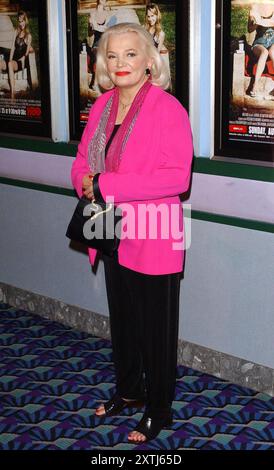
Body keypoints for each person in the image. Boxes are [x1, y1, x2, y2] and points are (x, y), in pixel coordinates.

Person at [71, 22, 193, 443]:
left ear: (148, 61)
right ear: (103, 63)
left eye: (129, 54)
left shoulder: (167, 108)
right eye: (111, 55)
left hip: (154, 233)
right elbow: (83, 158)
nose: (120, 63)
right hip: (109, 228)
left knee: (155, 330)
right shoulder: (102, 106)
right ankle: (130, 391)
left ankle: (159, 410)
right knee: (123, 322)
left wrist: (107, 184)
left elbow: (176, 178)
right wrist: (85, 180)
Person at [1, 10, 32, 100]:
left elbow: (26, 52)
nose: (21, 23)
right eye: (19, 21)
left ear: (25, 21)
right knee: (2, 63)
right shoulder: (16, 32)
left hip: (20, 61)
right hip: (13, 59)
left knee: (10, 64)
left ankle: (12, 94)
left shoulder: (28, 36)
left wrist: (23, 59)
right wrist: (10, 58)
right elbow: (13, 47)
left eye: (22, 21)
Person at [248, 2, 274, 97]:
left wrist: (261, 21)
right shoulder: (255, 7)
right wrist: (254, 23)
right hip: (259, 43)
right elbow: (249, 29)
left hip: (272, 42)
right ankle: (255, 85)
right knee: (264, 52)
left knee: (272, 51)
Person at [144, 2, 171, 85]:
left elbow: (157, 54)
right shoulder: (145, 29)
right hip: (149, 55)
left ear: (157, 16)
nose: (150, 19)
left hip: (159, 56)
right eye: (148, 16)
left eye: (152, 16)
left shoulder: (160, 34)